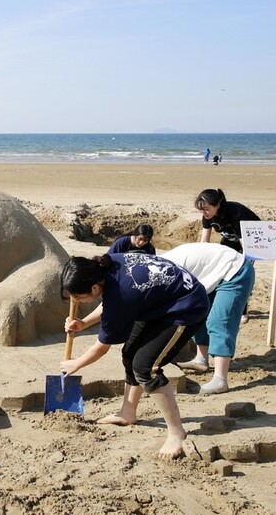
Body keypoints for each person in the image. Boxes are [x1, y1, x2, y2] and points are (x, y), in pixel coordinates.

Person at [61, 253, 209, 459]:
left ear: (94, 288)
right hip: (157, 303)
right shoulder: (105, 267)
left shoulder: (122, 294)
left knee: (147, 368)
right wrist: (84, 322)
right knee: (130, 353)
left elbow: (102, 346)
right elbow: (110, 300)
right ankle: (127, 413)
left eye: (77, 297)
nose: (75, 301)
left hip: (186, 306)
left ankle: (177, 433)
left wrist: (76, 364)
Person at [163, 243, 255, 394]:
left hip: (235, 271)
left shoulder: (165, 272)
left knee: (219, 321)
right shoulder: (158, 268)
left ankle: (220, 380)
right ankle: (201, 359)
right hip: (211, 274)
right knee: (198, 313)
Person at [195, 188, 259, 323]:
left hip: (250, 241)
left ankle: (243, 311)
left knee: (239, 275)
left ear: (217, 205)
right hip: (230, 240)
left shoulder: (234, 212)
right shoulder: (207, 216)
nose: (203, 213)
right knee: (221, 272)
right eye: (201, 210)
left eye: (206, 209)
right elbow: (204, 241)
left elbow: (245, 243)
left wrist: (246, 261)